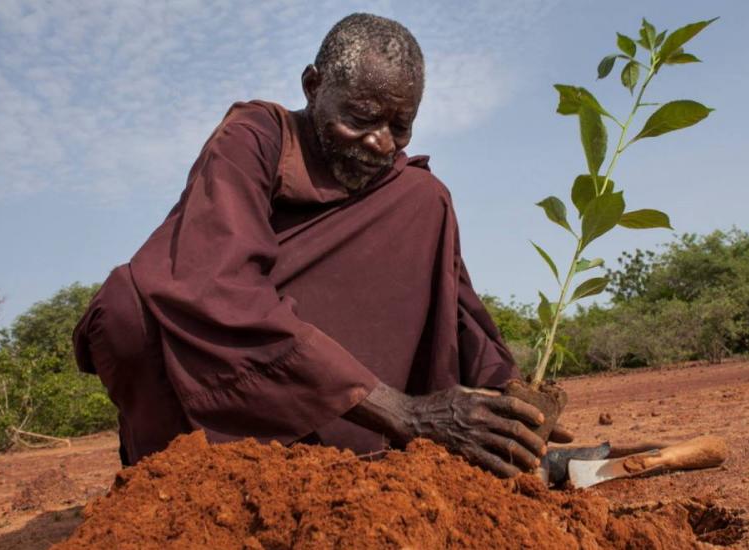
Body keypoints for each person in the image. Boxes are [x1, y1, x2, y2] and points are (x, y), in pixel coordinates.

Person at [73, 13, 571, 479]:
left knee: (424, 198)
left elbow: (457, 305)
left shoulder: (407, 193)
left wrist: (511, 406)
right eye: (361, 118)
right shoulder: (253, 139)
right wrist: (404, 413)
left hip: (326, 387)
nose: (380, 143)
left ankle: (422, 458)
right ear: (313, 86)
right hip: (217, 377)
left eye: (399, 127)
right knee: (127, 308)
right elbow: (217, 286)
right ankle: (182, 475)